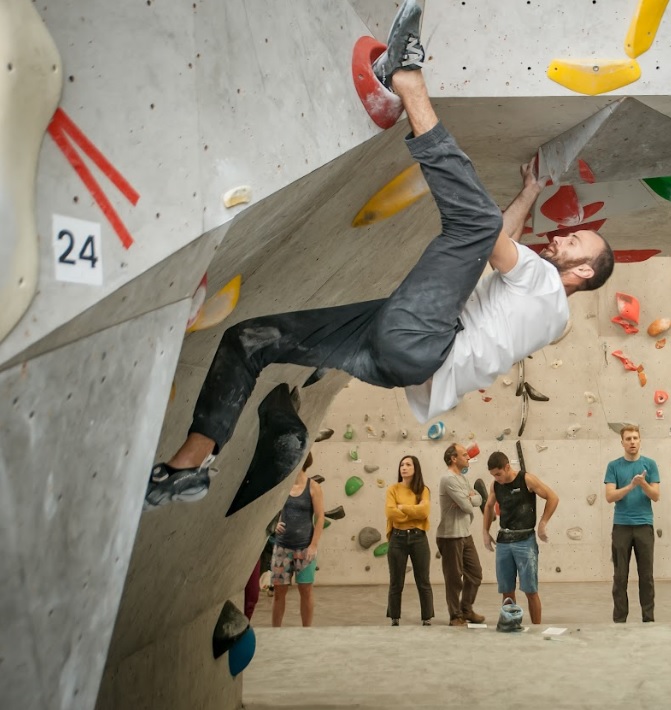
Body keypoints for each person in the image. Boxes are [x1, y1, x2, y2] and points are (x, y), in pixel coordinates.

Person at [143, 0, 615, 508]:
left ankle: (406, 77)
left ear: (583, 271)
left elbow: (487, 234)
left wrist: (526, 196)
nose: (566, 237)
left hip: (420, 342)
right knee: (249, 340)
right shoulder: (542, 311)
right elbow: (493, 240)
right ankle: (189, 466)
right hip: (401, 358)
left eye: (577, 242)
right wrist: (529, 191)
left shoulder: (545, 285)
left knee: (472, 223)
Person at [481, 451, 559, 624]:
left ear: (507, 467)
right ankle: (511, 625)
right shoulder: (495, 485)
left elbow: (553, 497)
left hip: (525, 541)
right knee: (507, 590)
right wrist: (485, 532)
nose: (497, 478)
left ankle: (536, 627)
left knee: (530, 590)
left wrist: (542, 523)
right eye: (493, 475)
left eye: (499, 474)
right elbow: (488, 506)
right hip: (504, 541)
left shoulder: (527, 479)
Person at [604, 425, 660, 623]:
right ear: (622, 443)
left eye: (635, 438)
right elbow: (610, 496)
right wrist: (630, 486)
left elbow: (656, 496)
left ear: (640, 441)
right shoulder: (614, 466)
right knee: (620, 577)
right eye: (628, 439)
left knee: (646, 577)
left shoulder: (650, 465)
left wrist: (643, 483)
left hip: (644, 526)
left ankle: (648, 618)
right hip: (621, 527)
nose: (632, 442)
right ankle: (619, 620)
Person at [271, 452, 325, 627]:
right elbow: (268, 509)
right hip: (282, 548)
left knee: (306, 590)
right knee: (279, 592)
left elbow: (320, 518)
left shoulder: (313, 487)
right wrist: (273, 524)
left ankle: (306, 632)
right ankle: (275, 632)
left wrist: (313, 545)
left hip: (305, 548)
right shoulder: (282, 485)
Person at [437, 443, 484, 626]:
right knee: (454, 578)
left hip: (465, 533)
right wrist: (469, 498)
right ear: (453, 458)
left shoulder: (462, 479)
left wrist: (469, 497)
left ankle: (466, 610)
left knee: (475, 574)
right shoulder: (448, 479)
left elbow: (478, 499)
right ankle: (455, 616)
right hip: (450, 536)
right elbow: (467, 506)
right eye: (464, 455)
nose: (468, 457)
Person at [385, 454, 435, 626]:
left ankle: (427, 617)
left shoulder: (423, 490)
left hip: (418, 538)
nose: (404, 468)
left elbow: (424, 512)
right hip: (397, 539)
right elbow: (391, 514)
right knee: (396, 581)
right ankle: (394, 617)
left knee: (423, 580)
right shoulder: (393, 489)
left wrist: (403, 508)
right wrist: (413, 512)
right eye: (401, 465)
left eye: (408, 464)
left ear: (416, 469)